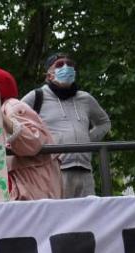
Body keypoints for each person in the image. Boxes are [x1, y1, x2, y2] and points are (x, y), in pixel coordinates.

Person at [21, 53, 111, 198]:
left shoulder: (85, 98)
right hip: (55, 171)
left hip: (85, 171)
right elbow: (13, 119)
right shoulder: (37, 96)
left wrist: (87, 140)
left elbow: (104, 123)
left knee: (90, 218)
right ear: (49, 75)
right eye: (59, 65)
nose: (66, 67)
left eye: (70, 64)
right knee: (60, 217)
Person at [0, 67, 61, 201]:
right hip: (31, 188)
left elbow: (32, 141)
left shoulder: (13, 107)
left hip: (33, 189)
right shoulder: (1, 111)